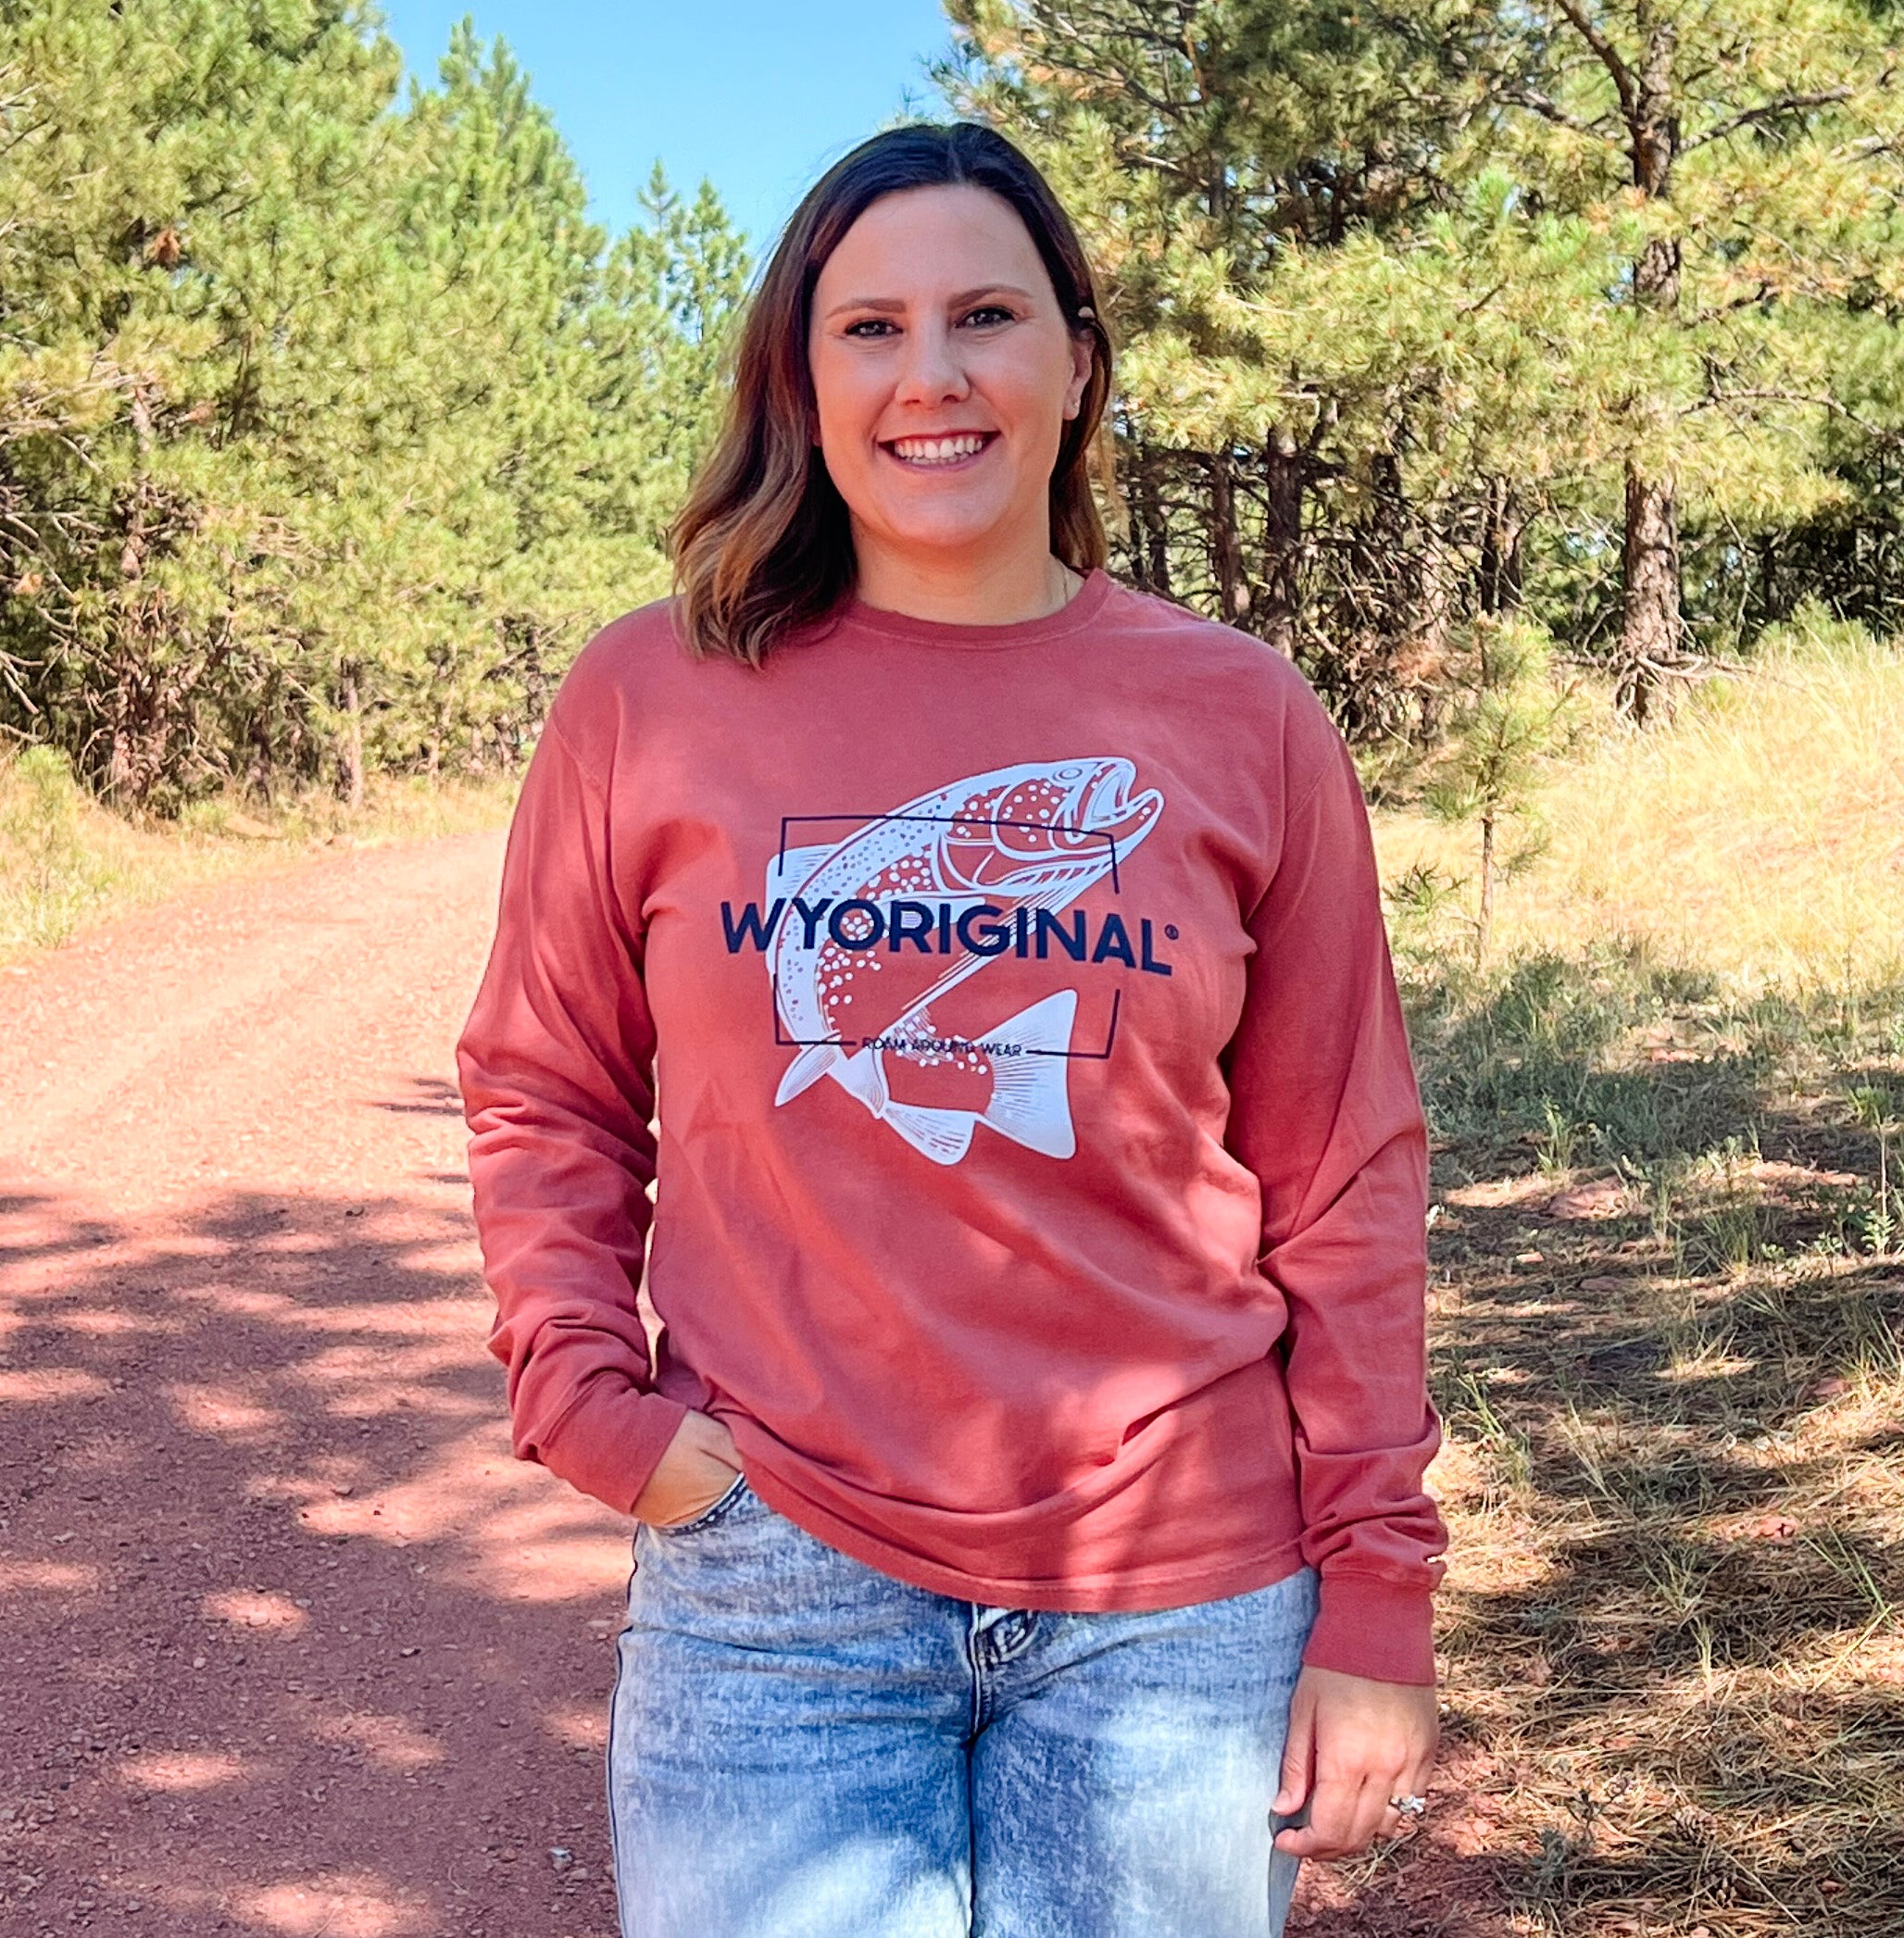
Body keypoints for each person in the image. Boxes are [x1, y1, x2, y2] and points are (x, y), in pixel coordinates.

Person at [455, 120, 1447, 1938]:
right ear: (802, 378)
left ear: (1076, 361)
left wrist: (1377, 1593)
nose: (933, 376)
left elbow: (1348, 1180)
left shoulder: (1243, 718)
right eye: (870, 329)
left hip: (1181, 1597)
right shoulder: (651, 695)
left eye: (985, 315)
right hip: (776, 1593)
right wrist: (584, 1403)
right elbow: (544, 1083)